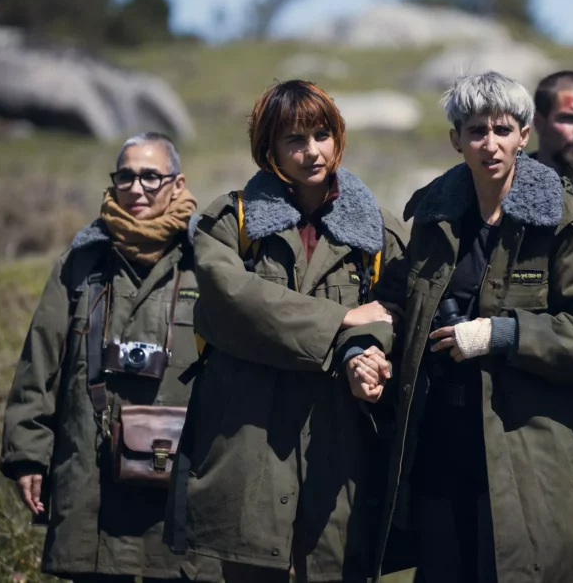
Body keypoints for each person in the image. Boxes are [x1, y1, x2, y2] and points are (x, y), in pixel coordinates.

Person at [348, 71, 573, 583]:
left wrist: (502, 335)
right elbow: (391, 304)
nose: (490, 144)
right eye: (476, 131)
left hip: (529, 468)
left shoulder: (572, 227)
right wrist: (365, 349)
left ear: (524, 135)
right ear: (455, 139)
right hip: (438, 456)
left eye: (502, 130)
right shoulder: (434, 218)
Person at [166, 80, 406, 583]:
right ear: (268, 149)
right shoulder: (230, 220)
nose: (311, 151)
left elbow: (391, 311)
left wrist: (367, 356)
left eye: (321, 134)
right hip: (249, 440)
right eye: (294, 139)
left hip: (336, 445)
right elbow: (231, 303)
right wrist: (340, 319)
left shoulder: (378, 233)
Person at [0, 132, 220, 582]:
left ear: (177, 185)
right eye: (125, 177)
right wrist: (28, 455)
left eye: (150, 177)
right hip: (91, 473)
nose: (136, 188)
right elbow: (40, 360)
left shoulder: (210, 261)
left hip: (184, 478)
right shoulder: (83, 262)